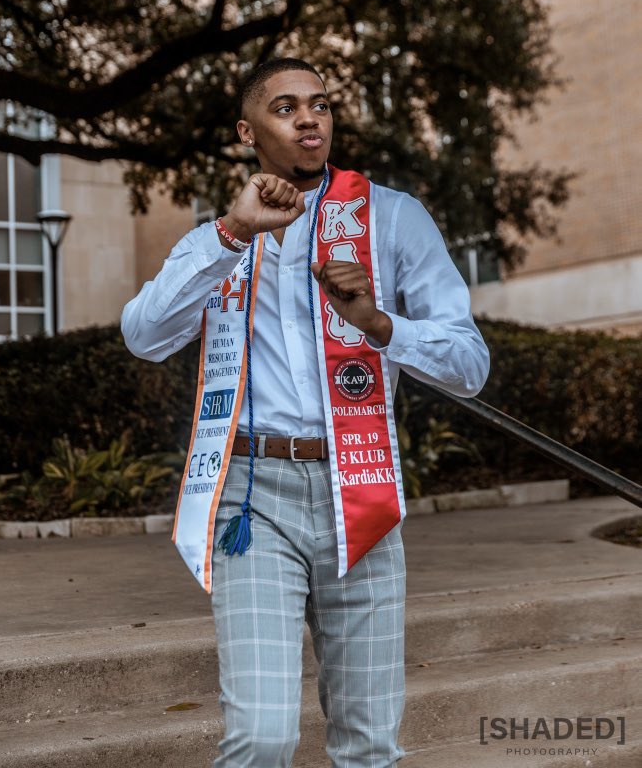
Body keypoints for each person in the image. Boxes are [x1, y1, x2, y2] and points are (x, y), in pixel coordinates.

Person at [120, 56, 490, 768]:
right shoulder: (214, 239)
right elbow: (144, 336)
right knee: (260, 738)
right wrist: (233, 232)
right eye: (285, 106)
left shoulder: (390, 218)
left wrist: (380, 325)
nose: (308, 118)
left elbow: (468, 367)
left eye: (319, 104)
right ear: (247, 129)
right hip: (252, 501)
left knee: (368, 746)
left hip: (361, 488)